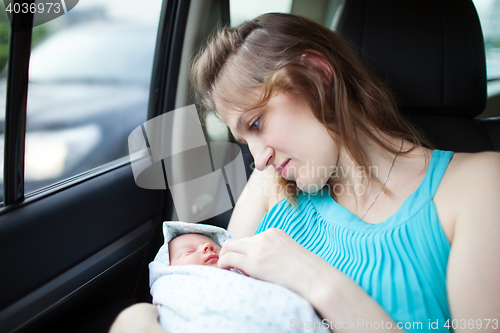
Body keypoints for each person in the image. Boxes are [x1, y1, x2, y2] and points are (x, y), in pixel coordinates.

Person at [110, 12, 500, 333]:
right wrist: (136, 318)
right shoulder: (270, 186)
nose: (258, 160)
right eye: (246, 142)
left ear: (317, 77)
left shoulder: (479, 185)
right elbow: (209, 296)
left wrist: (316, 279)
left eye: (257, 124)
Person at [147, 222, 328, 332]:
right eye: (188, 252)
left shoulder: (245, 274)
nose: (206, 248)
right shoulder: (173, 286)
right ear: (169, 271)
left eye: (213, 246)